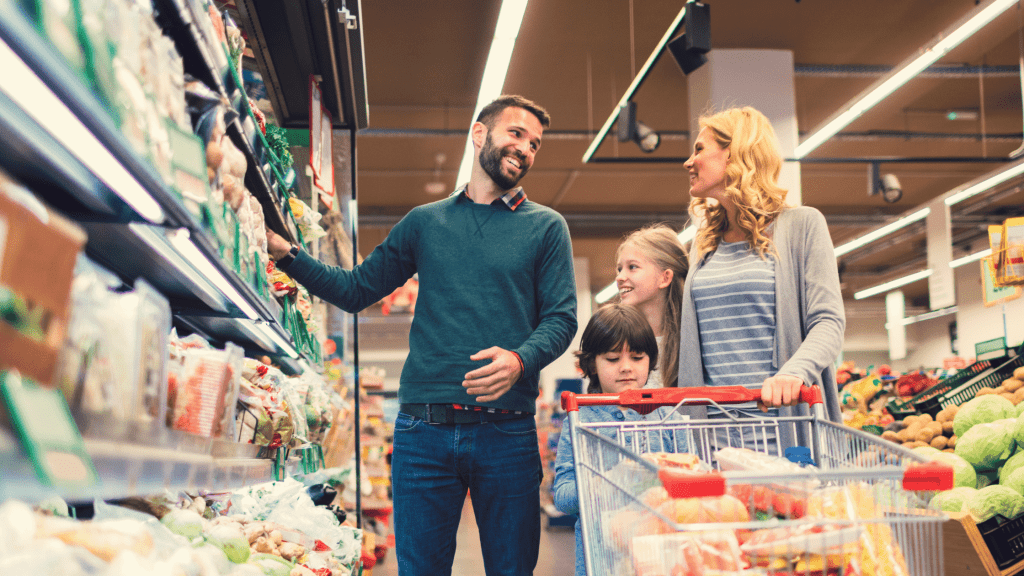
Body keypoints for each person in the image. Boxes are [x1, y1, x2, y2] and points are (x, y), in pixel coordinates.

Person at [266, 95, 578, 576]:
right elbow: (354, 290)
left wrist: (519, 360)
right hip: (423, 433)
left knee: (513, 569)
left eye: (535, 144)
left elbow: (561, 318)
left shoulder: (546, 228)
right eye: (515, 133)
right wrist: (288, 254)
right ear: (480, 133)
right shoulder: (425, 223)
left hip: (507, 432)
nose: (526, 148)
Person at [677, 106, 845, 450]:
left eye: (699, 149)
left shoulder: (801, 225)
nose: (688, 162)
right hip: (714, 440)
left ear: (735, 152)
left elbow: (828, 322)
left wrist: (794, 372)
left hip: (783, 433)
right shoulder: (702, 245)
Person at [552, 303, 691, 576]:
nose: (626, 368)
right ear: (591, 363)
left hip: (665, 558)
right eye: (613, 359)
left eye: (637, 357)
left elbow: (692, 481)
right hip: (603, 561)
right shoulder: (581, 421)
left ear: (651, 360)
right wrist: (612, 480)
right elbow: (563, 495)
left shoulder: (669, 417)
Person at [614, 224, 688, 388]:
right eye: (619, 269)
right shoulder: (616, 341)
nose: (619, 277)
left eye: (632, 267)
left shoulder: (690, 342)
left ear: (664, 278)